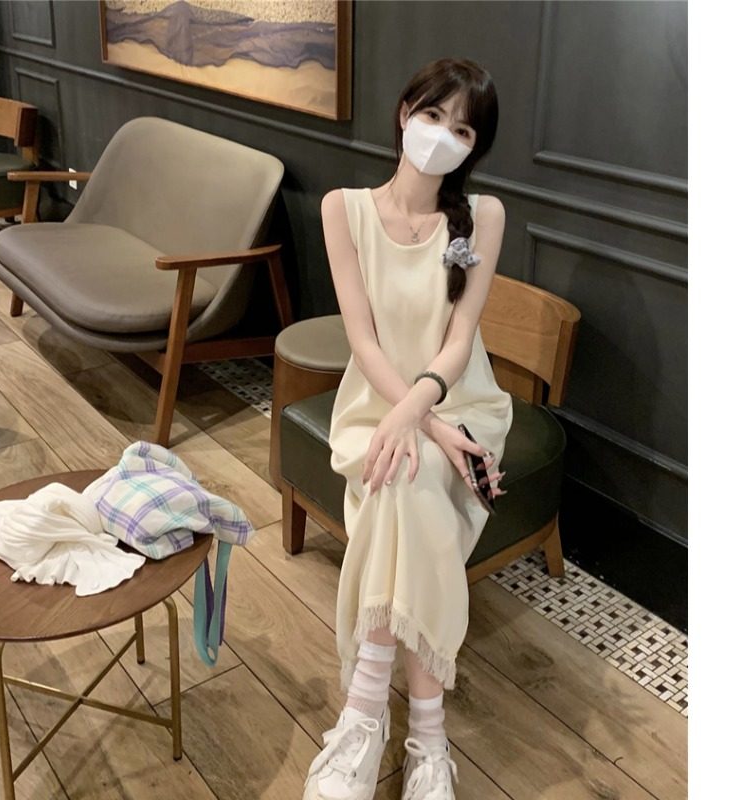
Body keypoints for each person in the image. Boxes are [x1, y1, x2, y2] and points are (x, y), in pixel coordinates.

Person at [302, 58, 514, 800]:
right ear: (404, 113)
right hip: (375, 401)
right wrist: (412, 423)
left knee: (403, 477)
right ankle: (427, 737)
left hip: (461, 400)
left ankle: (363, 718)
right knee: (406, 470)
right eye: (433, 116)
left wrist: (430, 420)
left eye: (463, 130)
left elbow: (458, 344)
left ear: (474, 147)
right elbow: (363, 342)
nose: (443, 136)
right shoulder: (343, 209)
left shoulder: (483, 216)